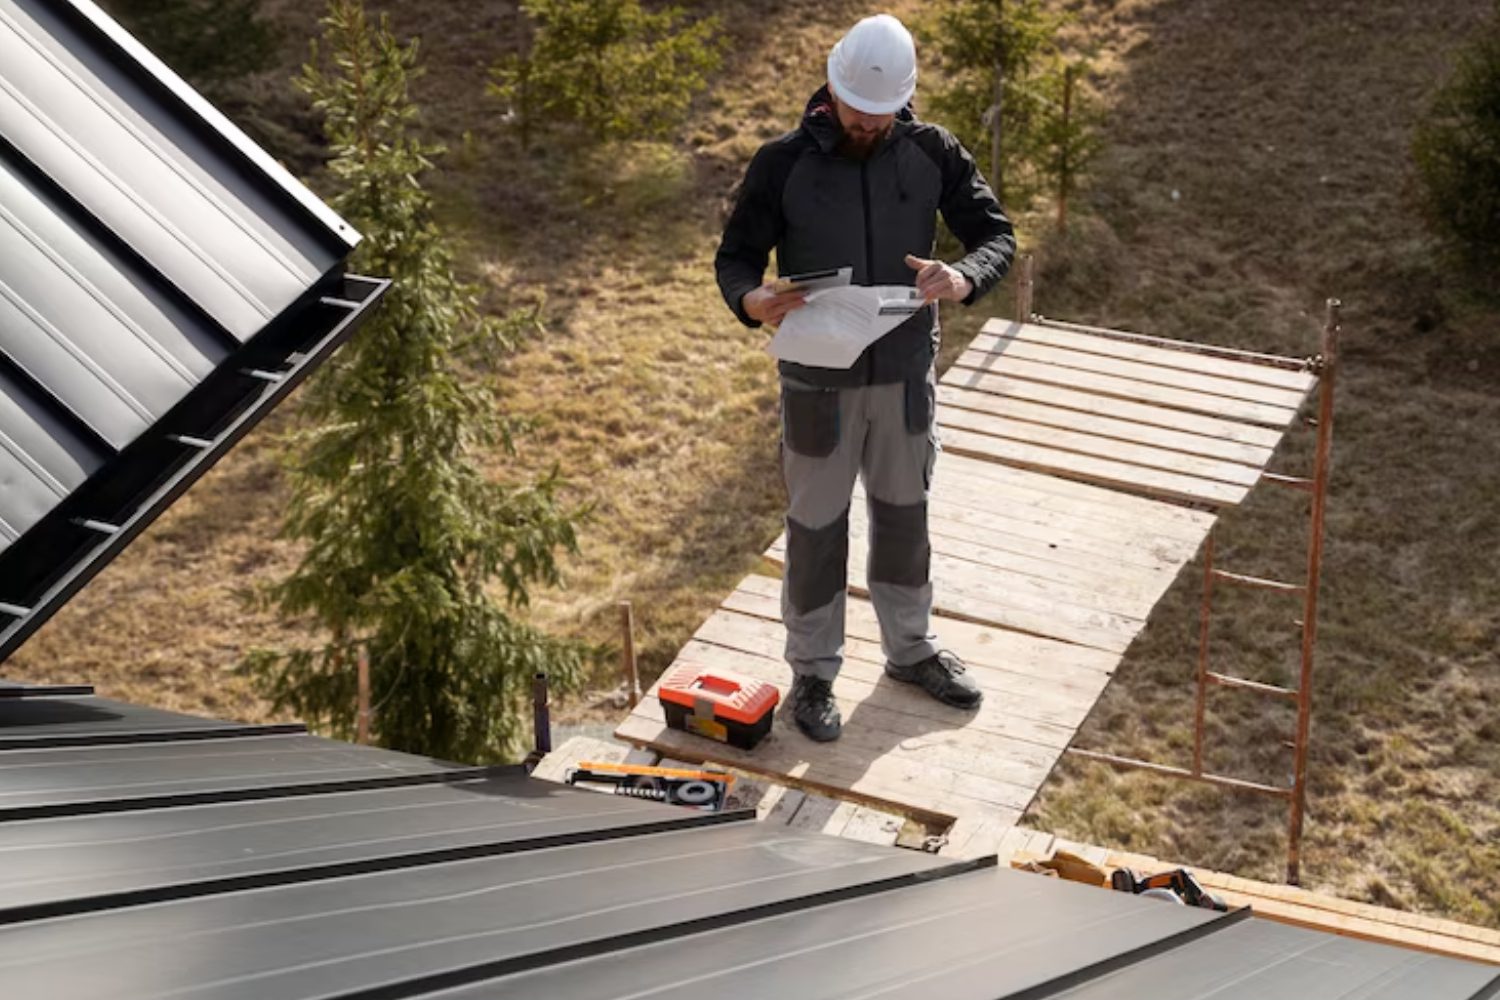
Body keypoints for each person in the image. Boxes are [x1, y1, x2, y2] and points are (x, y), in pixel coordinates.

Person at [714, 13, 1015, 742]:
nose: (868, 124)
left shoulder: (933, 152)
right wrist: (752, 300)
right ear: (833, 88)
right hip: (817, 383)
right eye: (856, 111)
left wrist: (962, 277)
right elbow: (736, 259)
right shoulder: (782, 163)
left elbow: (995, 236)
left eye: (881, 114)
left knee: (905, 519)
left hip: (905, 375)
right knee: (817, 529)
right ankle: (814, 671)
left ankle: (911, 650)